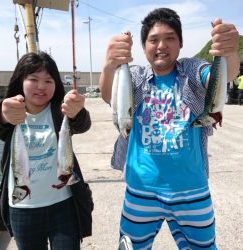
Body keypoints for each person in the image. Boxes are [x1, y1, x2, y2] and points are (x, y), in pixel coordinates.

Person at [99, 8, 239, 250]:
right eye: (153, 39)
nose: (161, 45)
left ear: (181, 44)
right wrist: (109, 66)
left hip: (192, 191)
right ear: (144, 47)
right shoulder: (135, 77)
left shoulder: (192, 71)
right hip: (140, 189)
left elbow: (217, 76)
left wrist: (228, 54)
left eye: (170, 38)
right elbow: (108, 94)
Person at [0, 52, 93, 250]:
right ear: (20, 80)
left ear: (56, 84)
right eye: (33, 79)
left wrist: (77, 112)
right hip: (22, 211)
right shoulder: (12, 113)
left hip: (63, 206)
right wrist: (0, 113)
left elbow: (83, 124)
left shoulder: (59, 112)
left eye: (48, 80)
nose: (41, 86)